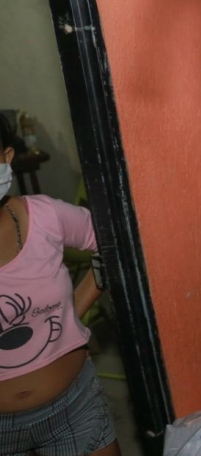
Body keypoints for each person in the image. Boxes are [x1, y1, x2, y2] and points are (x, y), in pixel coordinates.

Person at [0, 116, 119, 455]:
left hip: (75, 406)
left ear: (7, 158)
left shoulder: (46, 217)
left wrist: (72, 314)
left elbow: (110, 243)